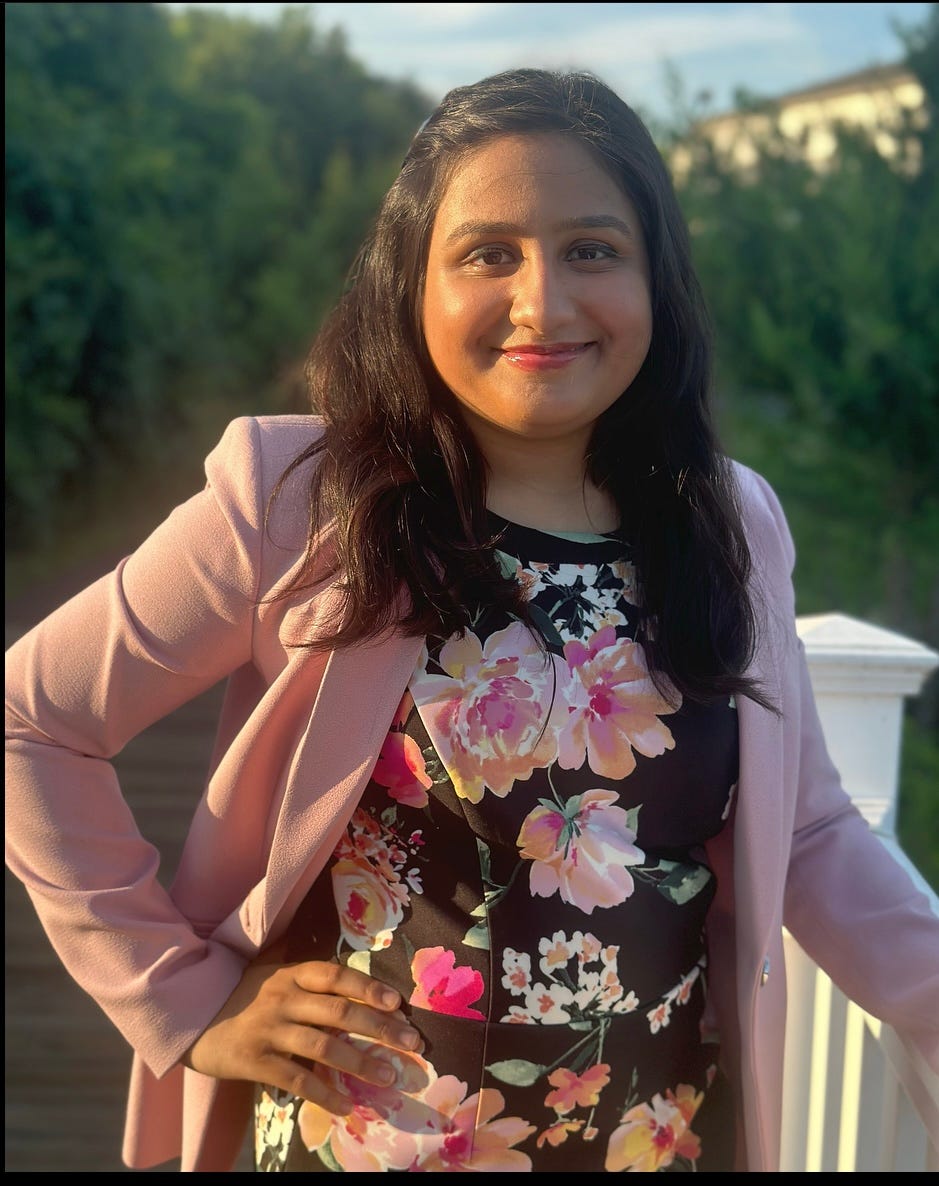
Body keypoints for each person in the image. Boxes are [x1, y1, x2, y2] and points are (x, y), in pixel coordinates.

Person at [5, 66, 939, 1175]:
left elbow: (813, 834)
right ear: (413, 281)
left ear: (656, 279)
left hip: (656, 1144)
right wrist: (182, 996)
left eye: (592, 249)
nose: (544, 303)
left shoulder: (729, 522)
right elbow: (31, 720)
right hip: (363, 1149)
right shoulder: (299, 502)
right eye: (489, 253)